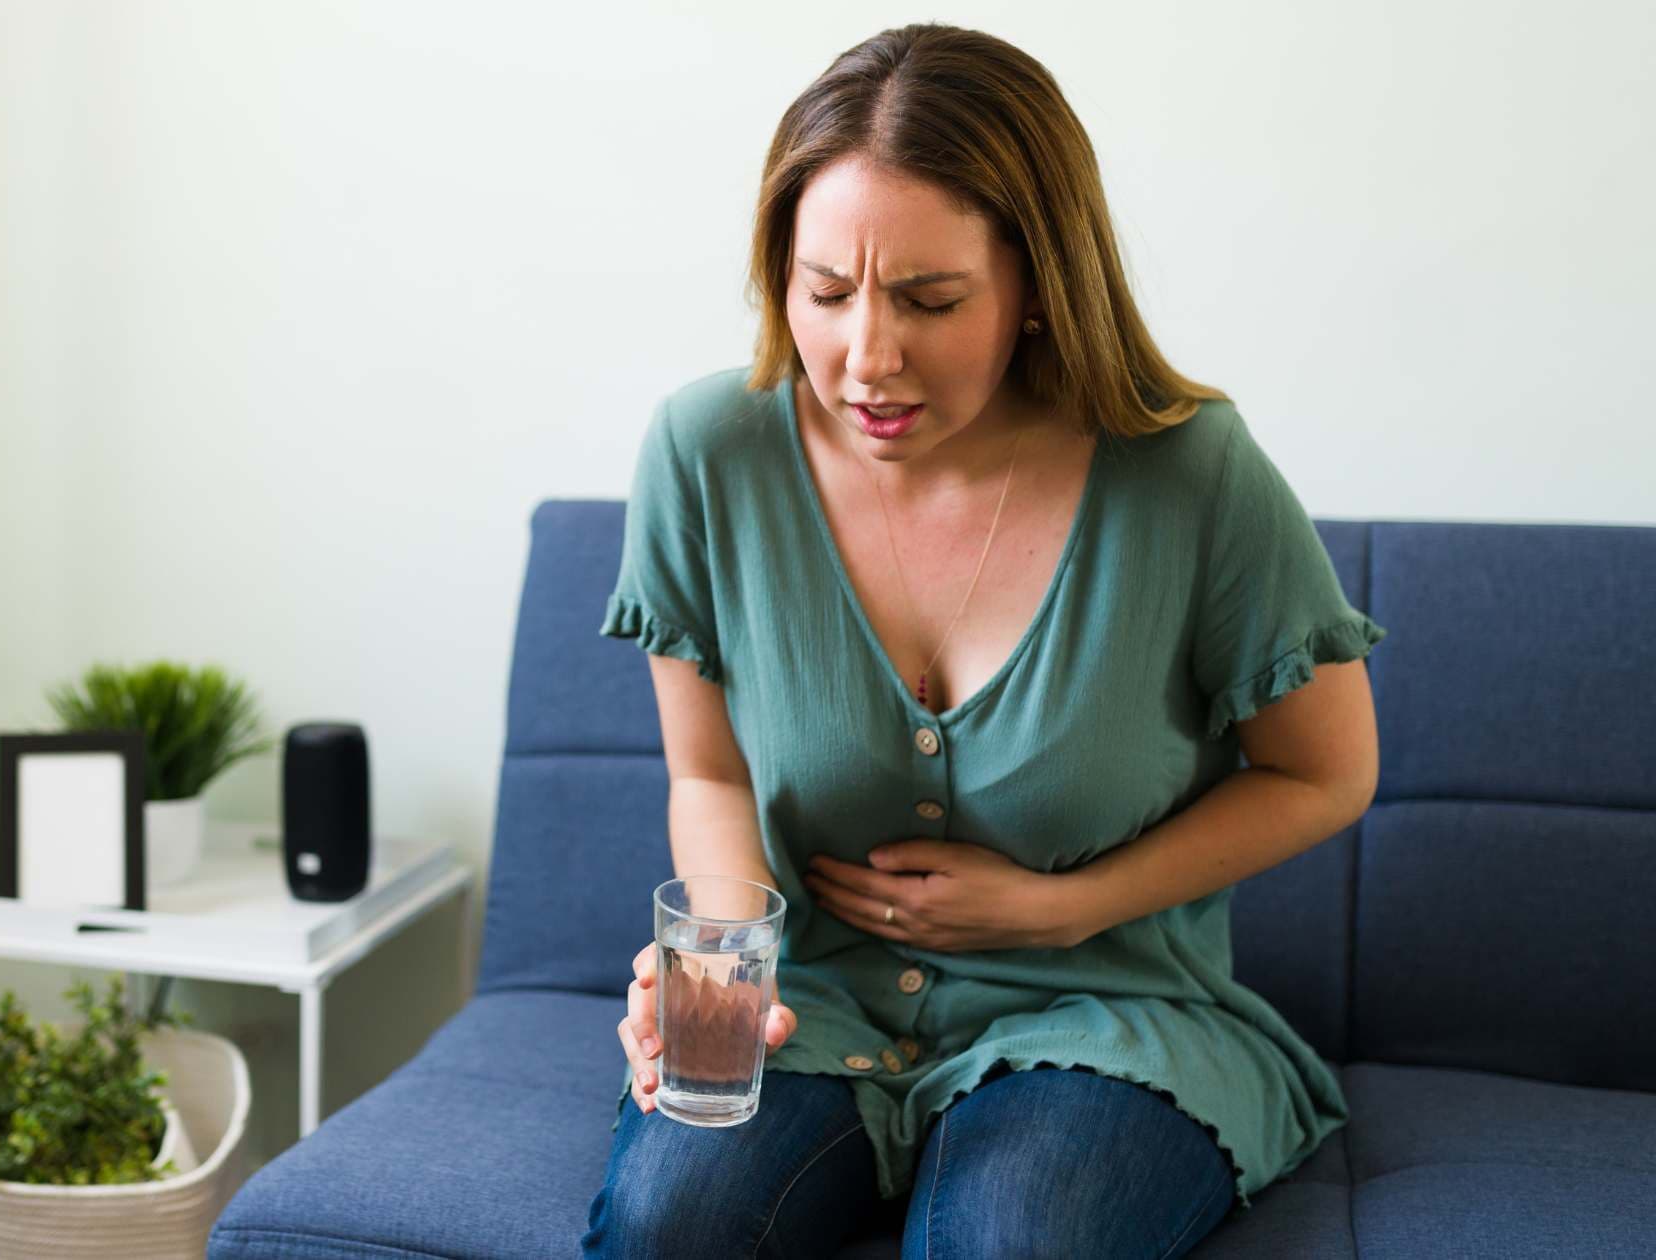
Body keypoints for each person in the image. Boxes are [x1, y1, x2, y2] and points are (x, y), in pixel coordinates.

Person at [581, 21, 1385, 1260]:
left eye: (927, 299)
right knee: (664, 1227)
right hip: (817, 1000)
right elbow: (711, 771)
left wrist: (1067, 907)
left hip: (1103, 1012)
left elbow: (1325, 770)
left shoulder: (1187, 475)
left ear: (1033, 288)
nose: (867, 357)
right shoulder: (706, 453)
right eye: (824, 292)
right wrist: (719, 982)